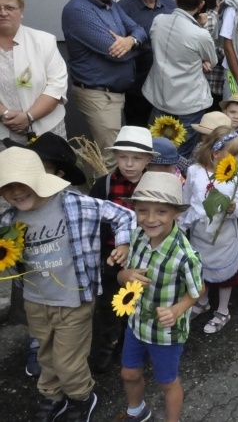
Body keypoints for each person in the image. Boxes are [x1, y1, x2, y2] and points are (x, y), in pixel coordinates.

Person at [0, 146, 134, 422]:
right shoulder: (8, 219)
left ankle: (82, 396)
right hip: (36, 300)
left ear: (39, 179)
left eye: (21, 184)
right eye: (6, 187)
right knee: (46, 356)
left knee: (67, 360)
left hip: (73, 300)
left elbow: (124, 215)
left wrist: (123, 241)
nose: (15, 192)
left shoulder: (73, 203)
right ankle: (52, 395)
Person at [117, 172, 203, 422]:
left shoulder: (185, 255)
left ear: (176, 212)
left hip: (166, 334)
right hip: (136, 323)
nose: (150, 219)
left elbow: (198, 291)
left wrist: (178, 309)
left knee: (167, 382)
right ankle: (137, 411)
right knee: (129, 373)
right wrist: (125, 275)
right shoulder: (137, 236)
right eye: (143, 210)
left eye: (161, 212)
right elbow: (123, 277)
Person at [61, 0, 148, 170]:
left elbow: (139, 30)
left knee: (100, 155)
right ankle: (106, 202)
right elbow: (117, 54)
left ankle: (95, 194)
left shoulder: (109, 5)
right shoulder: (78, 11)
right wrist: (137, 47)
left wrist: (130, 40)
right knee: (110, 160)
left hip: (114, 94)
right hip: (99, 96)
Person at [88, 126, 158, 374]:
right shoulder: (103, 186)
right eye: (123, 157)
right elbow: (93, 221)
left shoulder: (156, 184)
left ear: (148, 159)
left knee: (140, 305)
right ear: (115, 156)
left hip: (145, 258)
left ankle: (132, 349)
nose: (129, 164)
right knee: (109, 306)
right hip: (112, 258)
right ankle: (104, 351)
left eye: (137, 158)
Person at [181, 126, 238, 333]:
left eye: (237, 156)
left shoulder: (237, 178)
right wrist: (181, 225)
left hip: (224, 236)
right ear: (215, 152)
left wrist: (235, 208)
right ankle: (202, 302)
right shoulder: (195, 172)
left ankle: (223, 309)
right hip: (200, 234)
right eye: (232, 155)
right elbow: (186, 198)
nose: (235, 160)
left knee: (225, 274)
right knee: (200, 269)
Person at [143, 0, 217, 158]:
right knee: (180, 156)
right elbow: (211, 61)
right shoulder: (201, 34)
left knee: (153, 150)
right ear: (201, 4)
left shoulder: (159, 20)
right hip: (189, 102)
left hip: (159, 95)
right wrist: (199, 59)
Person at [0, 0, 69, 144]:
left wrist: (28, 116)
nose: (3, 13)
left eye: (9, 7)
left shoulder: (44, 41)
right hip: (3, 133)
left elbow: (57, 85)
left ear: (21, 10)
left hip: (46, 129)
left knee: (48, 170)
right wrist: (5, 114)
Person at [117, 0, 177, 128]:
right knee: (137, 133)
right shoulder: (123, 9)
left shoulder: (171, 6)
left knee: (167, 136)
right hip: (138, 89)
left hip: (168, 87)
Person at [202, 0, 233, 111]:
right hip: (213, 82)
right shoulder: (211, 20)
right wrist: (231, 54)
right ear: (219, 2)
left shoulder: (215, 19)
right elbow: (210, 49)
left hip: (216, 82)